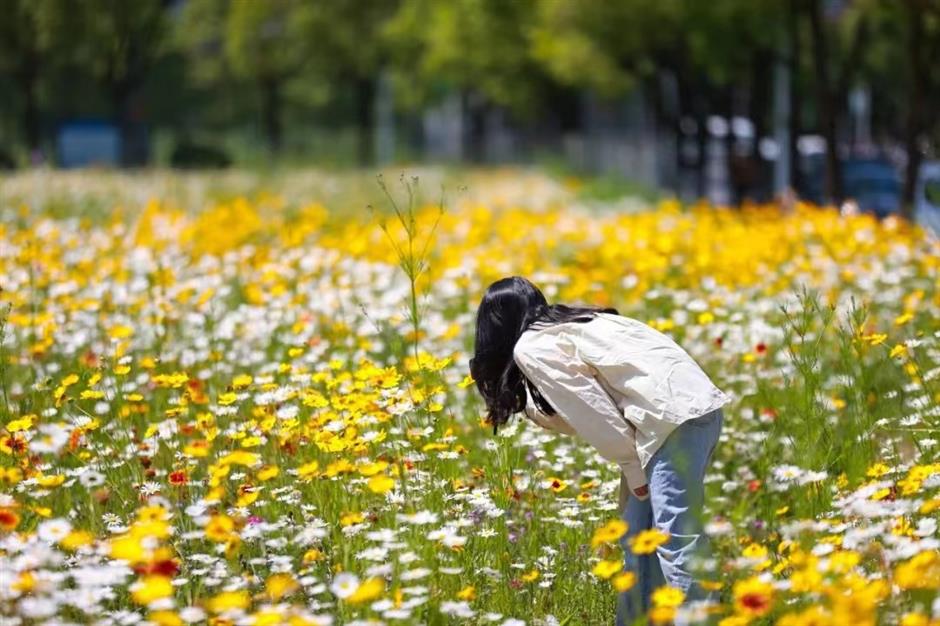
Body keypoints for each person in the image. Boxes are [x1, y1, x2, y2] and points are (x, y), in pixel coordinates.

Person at [469, 276, 730, 624]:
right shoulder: (580, 322)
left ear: (493, 328)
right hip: (696, 409)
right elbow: (589, 401)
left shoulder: (531, 346)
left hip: (665, 421)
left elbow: (595, 412)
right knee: (640, 539)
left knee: (674, 540)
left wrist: (632, 468)